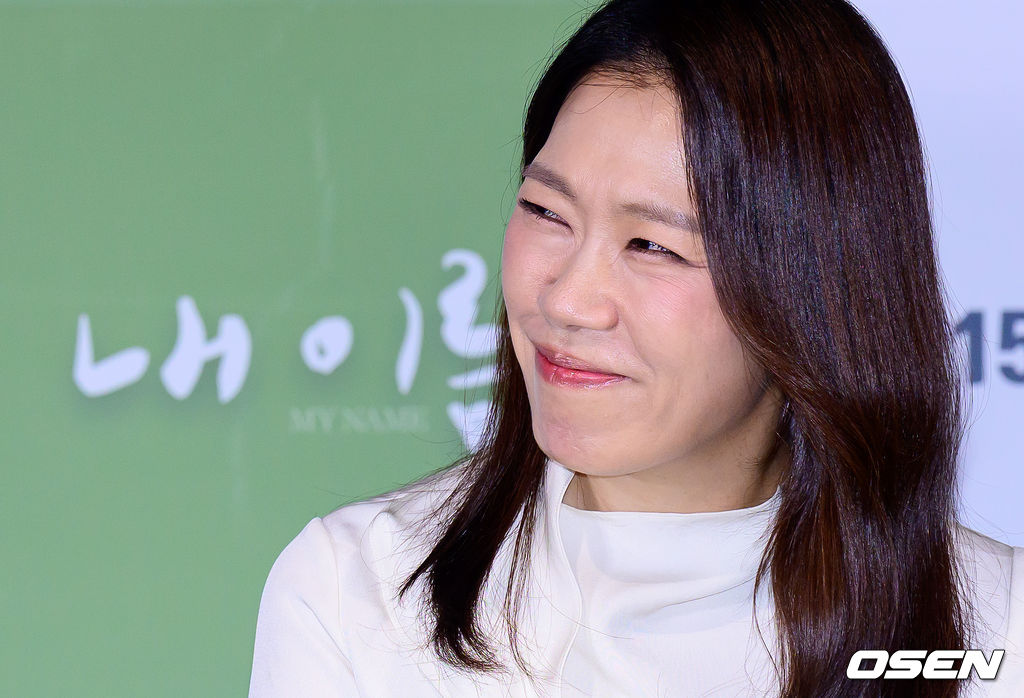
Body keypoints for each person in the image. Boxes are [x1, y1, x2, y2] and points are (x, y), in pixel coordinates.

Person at [247, 0, 1024, 695]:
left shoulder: (997, 632)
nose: (566, 300)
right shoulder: (361, 594)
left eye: (652, 245)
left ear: (816, 289)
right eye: (546, 211)